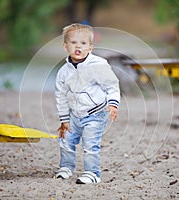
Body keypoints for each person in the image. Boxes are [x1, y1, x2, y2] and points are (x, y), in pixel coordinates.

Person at [55, 23, 120, 184]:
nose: (78, 46)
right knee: (65, 140)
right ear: (65, 46)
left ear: (90, 47)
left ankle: (93, 173)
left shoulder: (97, 65)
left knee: (90, 145)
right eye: (73, 43)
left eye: (83, 43)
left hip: (95, 114)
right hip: (73, 114)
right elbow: (61, 96)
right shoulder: (63, 72)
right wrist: (64, 119)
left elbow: (111, 85)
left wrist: (113, 104)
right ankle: (66, 167)